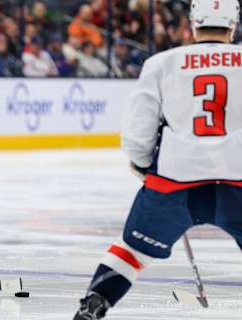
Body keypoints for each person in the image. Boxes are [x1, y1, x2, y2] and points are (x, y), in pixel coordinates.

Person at [73, 1, 241, 319]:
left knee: (132, 252)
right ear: (234, 24)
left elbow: (138, 136)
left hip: (174, 183)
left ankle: (94, 305)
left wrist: (142, 165)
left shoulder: (162, 63)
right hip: (239, 182)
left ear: (193, 22)